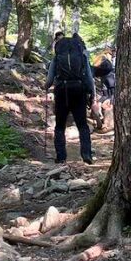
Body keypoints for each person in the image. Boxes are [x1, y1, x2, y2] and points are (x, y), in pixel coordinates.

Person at [45, 33, 95, 164]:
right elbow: (89, 78)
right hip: (79, 91)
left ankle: (61, 157)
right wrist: (92, 93)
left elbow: (49, 80)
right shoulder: (82, 57)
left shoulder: (56, 58)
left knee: (60, 126)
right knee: (82, 125)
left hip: (62, 92)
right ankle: (86, 154)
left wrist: (46, 86)